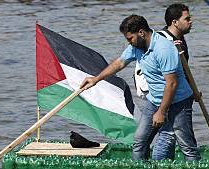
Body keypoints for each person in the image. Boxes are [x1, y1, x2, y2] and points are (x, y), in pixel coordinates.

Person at [80, 14, 200, 161]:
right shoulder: (137, 47)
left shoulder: (163, 49)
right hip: (154, 100)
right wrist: (96, 79)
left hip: (178, 101)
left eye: (130, 38)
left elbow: (172, 84)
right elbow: (119, 63)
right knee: (139, 141)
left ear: (142, 33)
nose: (129, 42)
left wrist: (161, 112)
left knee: (187, 146)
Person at [151, 3, 194, 160]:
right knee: (169, 135)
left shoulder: (180, 39)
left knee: (169, 135)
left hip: (181, 93)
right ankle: (158, 166)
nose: (191, 21)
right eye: (187, 18)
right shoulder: (163, 41)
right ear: (174, 22)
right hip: (169, 95)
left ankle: (162, 165)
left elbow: (183, 71)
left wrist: (193, 90)